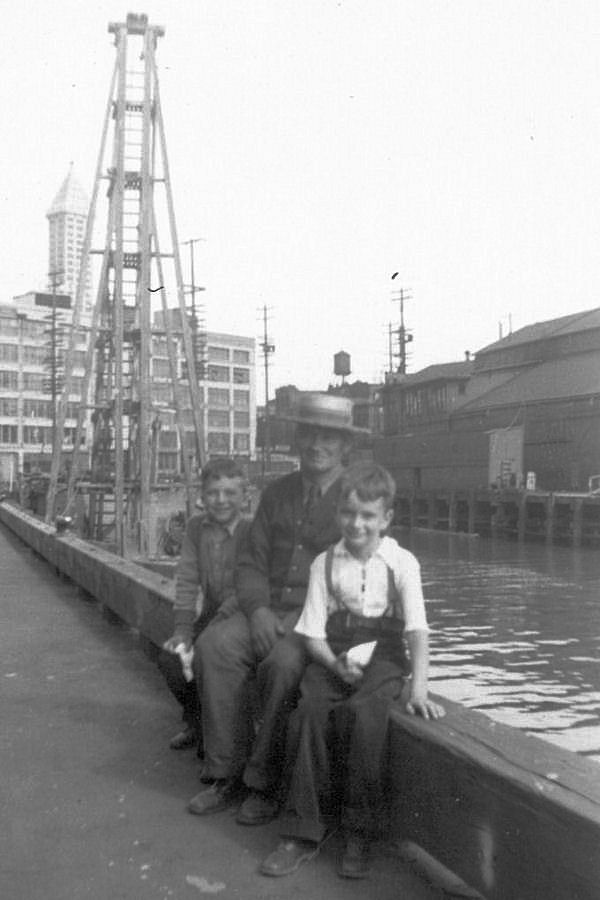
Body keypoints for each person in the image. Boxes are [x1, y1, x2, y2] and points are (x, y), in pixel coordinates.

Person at [259, 462, 445, 880]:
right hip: (336, 651)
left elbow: (416, 629)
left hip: (384, 654)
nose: (356, 524)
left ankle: (359, 830)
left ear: (386, 519)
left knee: (363, 716)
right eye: (348, 513)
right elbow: (311, 632)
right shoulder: (325, 563)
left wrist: (419, 689)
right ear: (338, 513)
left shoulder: (401, 562)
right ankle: (303, 831)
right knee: (308, 714)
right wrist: (333, 664)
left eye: (367, 516)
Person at [189, 393, 368, 821]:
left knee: (282, 666)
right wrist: (259, 611)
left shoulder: (357, 499)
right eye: (308, 434)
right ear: (297, 439)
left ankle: (263, 783)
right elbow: (251, 563)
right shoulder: (278, 493)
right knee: (214, 646)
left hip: (318, 620)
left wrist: (301, 622)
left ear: (345, 446)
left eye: (328, 437)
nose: (316, 445)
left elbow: (360, 577)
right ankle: (224, 773)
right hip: (265, 608)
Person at [157, 458, 250, 754]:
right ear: (203, 494)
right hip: (211, 614)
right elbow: (186, 578)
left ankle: (224, 735)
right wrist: (183, 629)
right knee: (172, 658)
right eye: (213, 493)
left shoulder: (253, 530)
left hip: (242, 618)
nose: (221, 500)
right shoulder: (197, 528)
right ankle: (196, 723)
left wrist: (217, 625)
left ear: (244, 496)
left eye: (230, 493)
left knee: (211, 656)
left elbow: (249, 586)